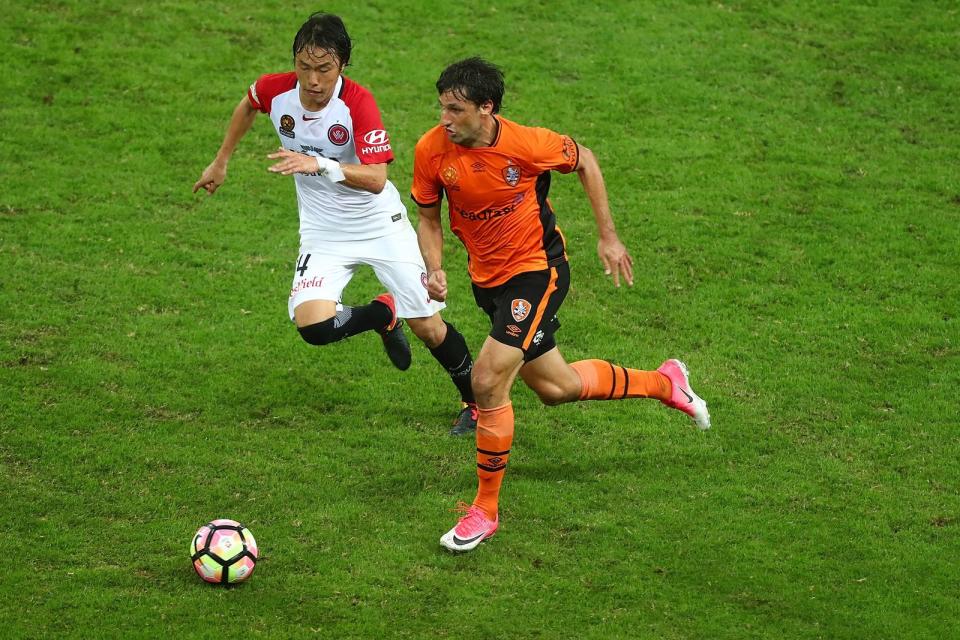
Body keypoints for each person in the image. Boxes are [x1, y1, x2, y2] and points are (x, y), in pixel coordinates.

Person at [411, 57, 712, 552]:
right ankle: (665, 382)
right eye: (441, 107)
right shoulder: (431, 149)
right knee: (558, 387)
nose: (444, 118)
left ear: (486, 109)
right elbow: (429, 218)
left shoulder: (527, 144)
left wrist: (608, 238)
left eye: (455, 109)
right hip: (487, 283)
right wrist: (434, 265)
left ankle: (485, 511)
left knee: (487, 380)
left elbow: (586, 159)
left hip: (537, 271)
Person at [193, 13, 478, 434]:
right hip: (323, 233)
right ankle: (382, 315)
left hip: (379, 225)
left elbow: (377, 178)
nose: (312, 79)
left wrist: (318, 164)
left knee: (428, 327)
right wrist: (222, 160)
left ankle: (475, 404)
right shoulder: (276, 89)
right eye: (304, 67)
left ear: (342, 65)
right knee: (314, 327)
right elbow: (250, 102)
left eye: (324, 69)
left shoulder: (358, 103)